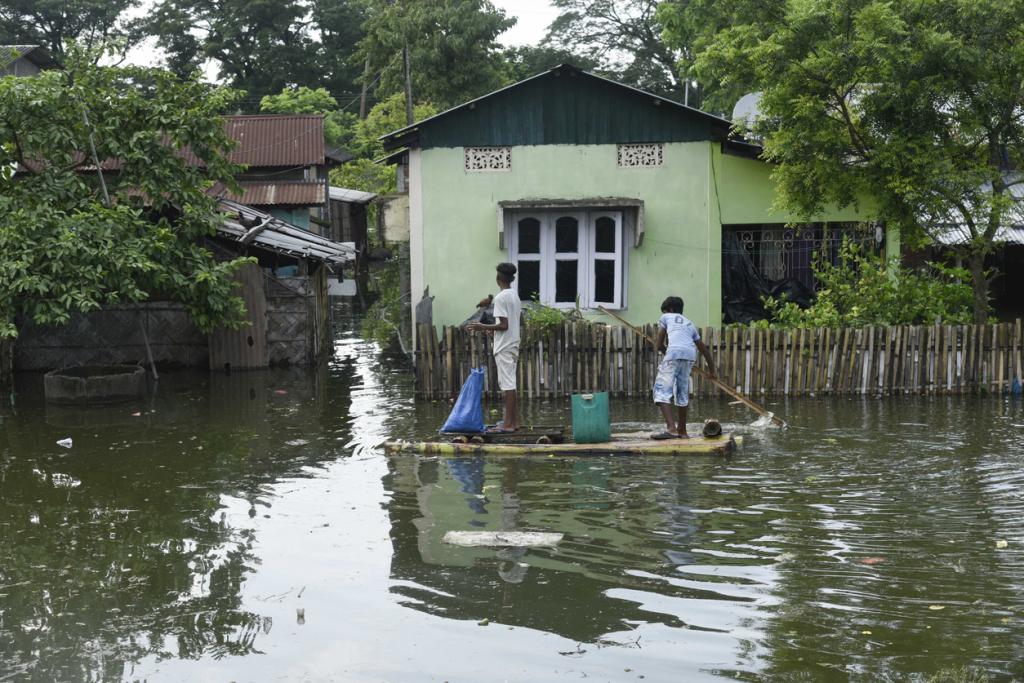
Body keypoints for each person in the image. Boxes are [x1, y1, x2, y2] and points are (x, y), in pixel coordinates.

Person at [467, 263, 521, 432]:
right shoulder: (514, 295)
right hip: (512, 343)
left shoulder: (500, 298)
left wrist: (482, 326)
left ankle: (508, 425)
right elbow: (510, 324)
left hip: (505, 346)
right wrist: (492, 330)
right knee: (510, 383)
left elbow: (504, 325)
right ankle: (513, 422)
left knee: (508, 384)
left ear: (498, 279)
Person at [651, 296, 716, 439]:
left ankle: (671, 429)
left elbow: (659, 344)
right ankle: (682, 431)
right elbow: (704, 350)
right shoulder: (690, 324)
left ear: (670, 310)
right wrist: (712, 372)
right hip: (689, 355)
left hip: (674, 353)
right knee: (682, 392)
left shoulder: (666, 317)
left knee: (661, 391)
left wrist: (666, 352)